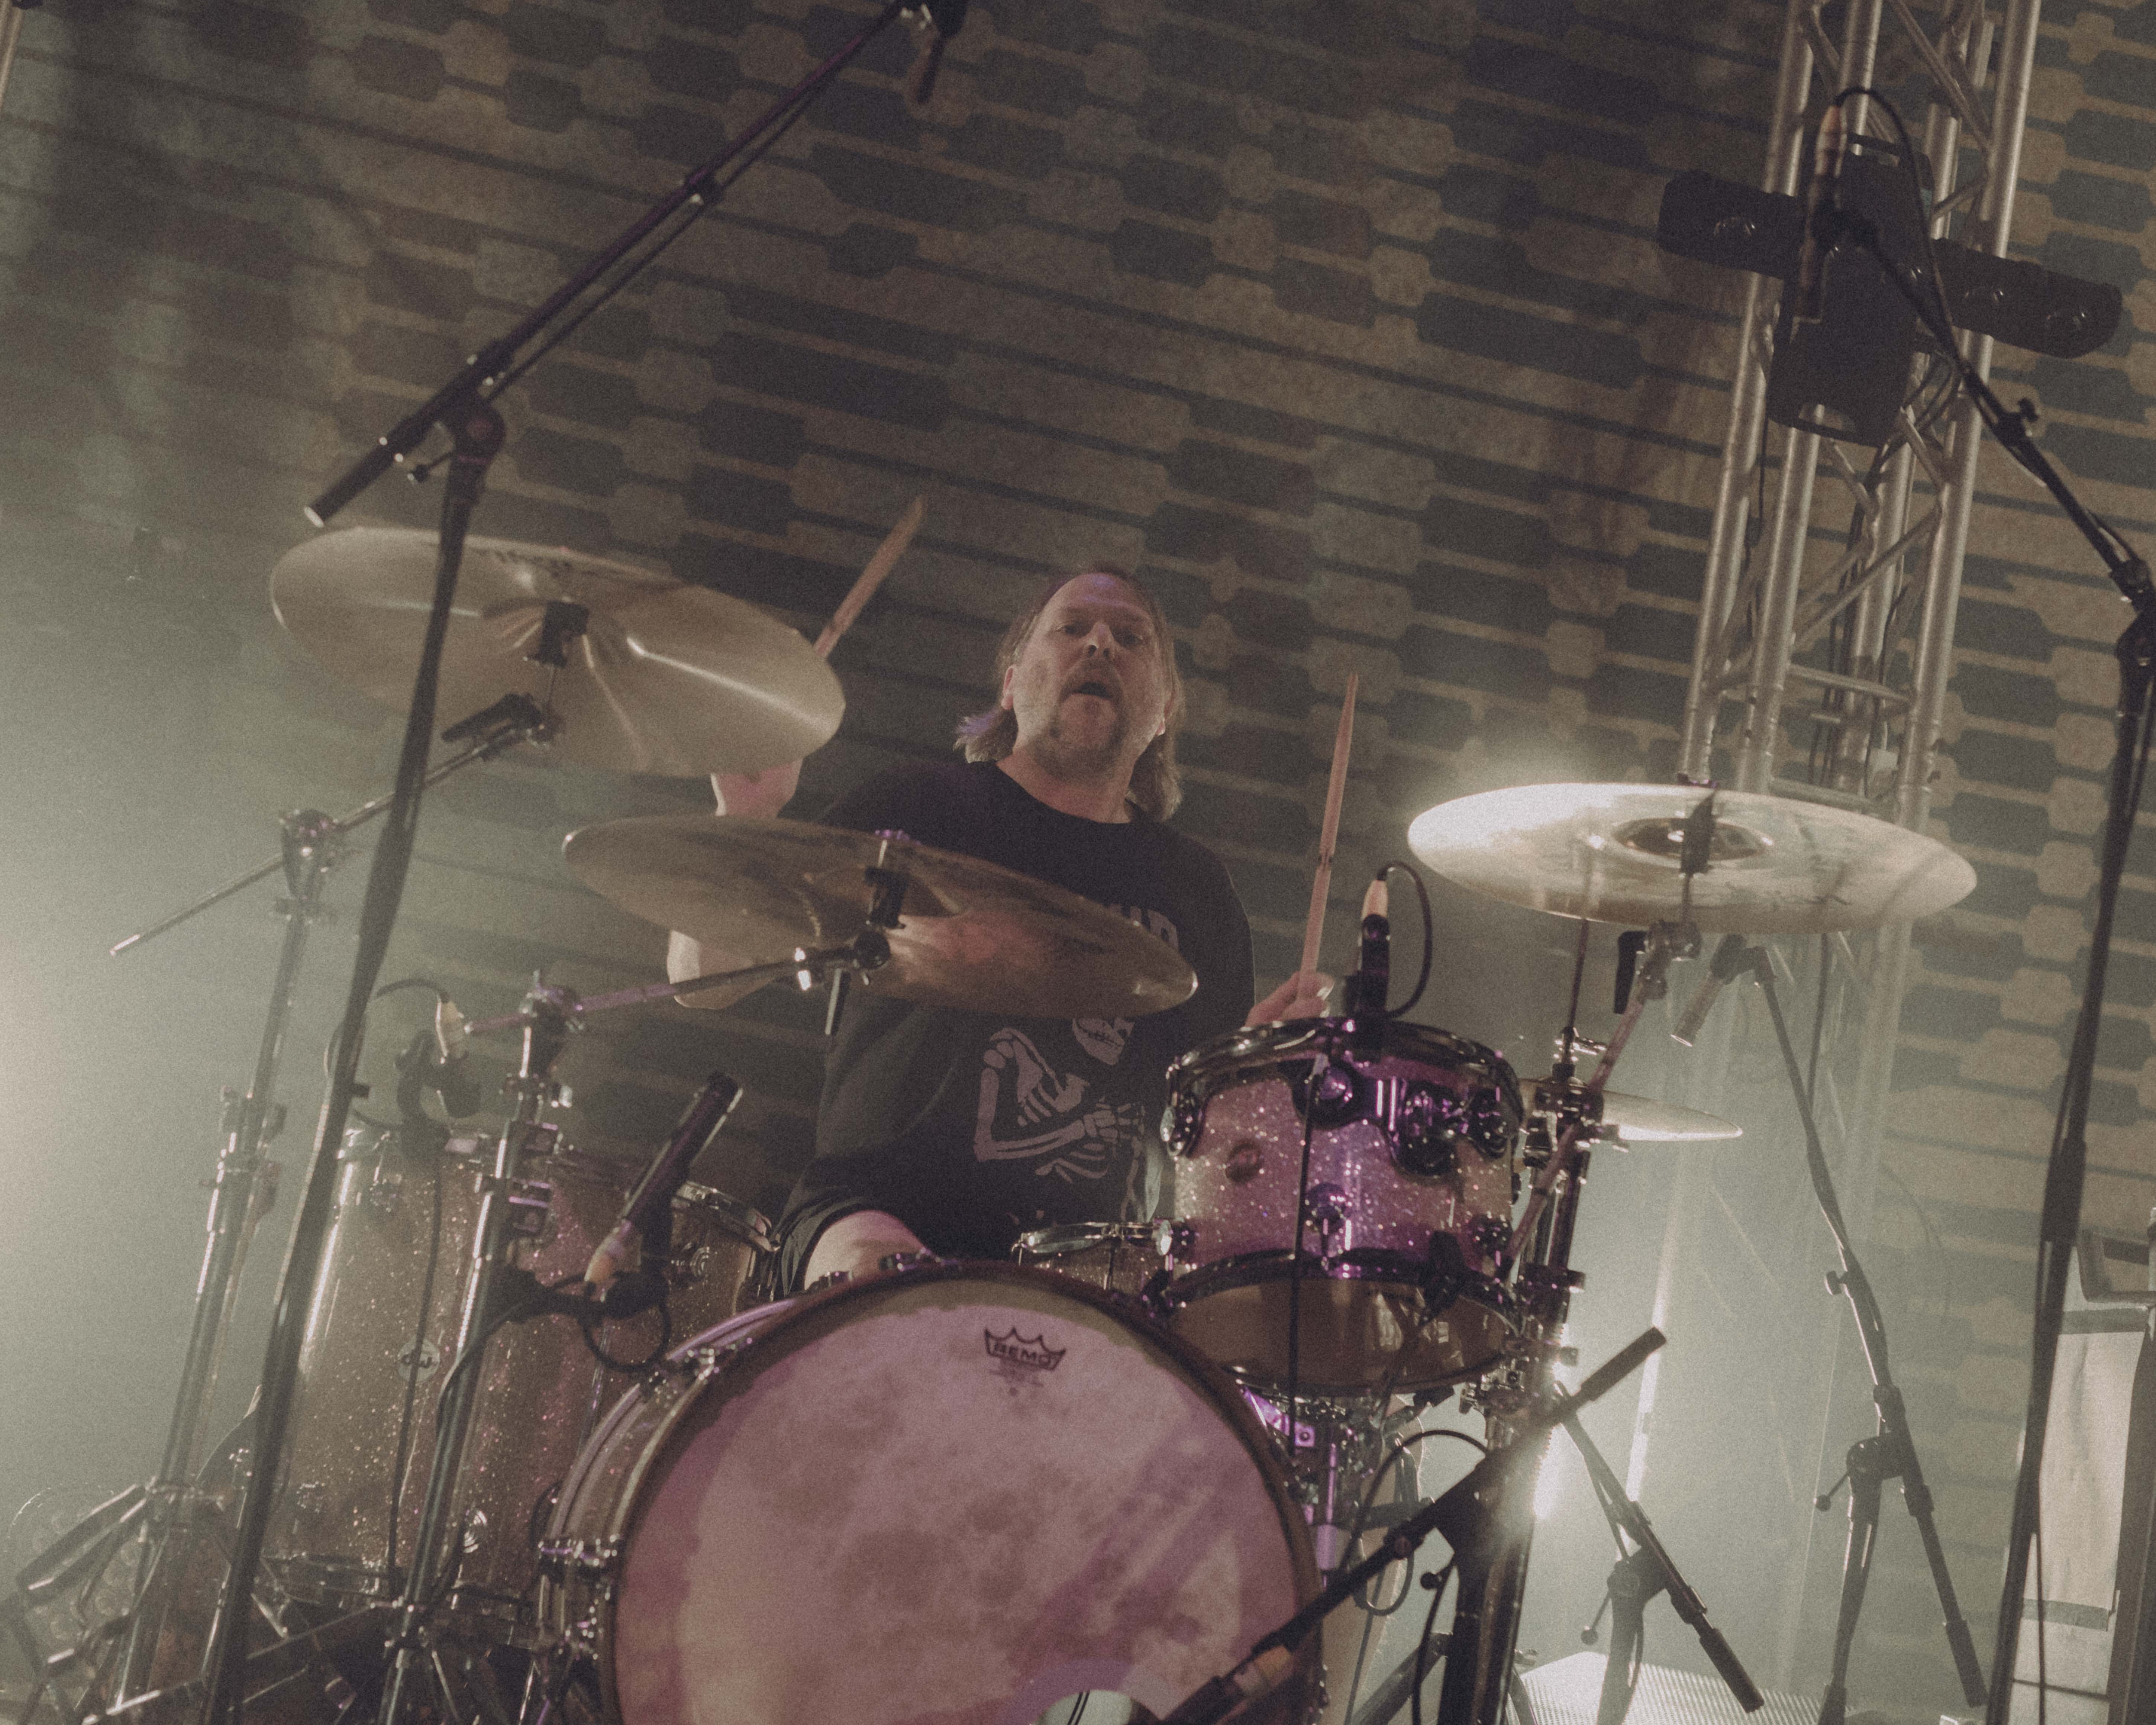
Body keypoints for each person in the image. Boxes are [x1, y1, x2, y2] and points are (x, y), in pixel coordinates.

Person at [669, 563, 1329, 1290]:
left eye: (1131, 637)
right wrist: (745, 816)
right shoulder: (915, 809)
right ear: (1011, 686)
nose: (1099, 644)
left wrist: (1252, 1081)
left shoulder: (1197, 890)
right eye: (1071, 628)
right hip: (873, 1214)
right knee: (889, 1290)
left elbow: (1202, 1147)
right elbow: (704, 982)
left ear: (1165, 709)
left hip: (1088, 1259)